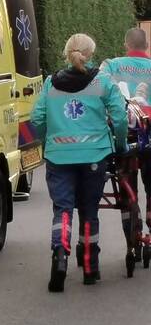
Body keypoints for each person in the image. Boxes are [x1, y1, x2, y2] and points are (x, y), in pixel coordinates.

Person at [32, 33, 128, 292]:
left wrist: (48, 141)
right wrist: (120, 144)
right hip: (94, 156)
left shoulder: (51, 83)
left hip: (58, 157)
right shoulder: (102, 82)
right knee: (88, 210)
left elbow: (37, 118)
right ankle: (89, 265)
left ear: (66, 53)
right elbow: (119, 117)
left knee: (62, 209)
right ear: (92, 54)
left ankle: (60, 257)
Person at [100, 27, 151, 242]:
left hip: (125, 133)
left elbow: (96, 93)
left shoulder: (112, 65)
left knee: (126, 184)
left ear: (126, 45)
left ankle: (132, 231)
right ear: (147, 46)